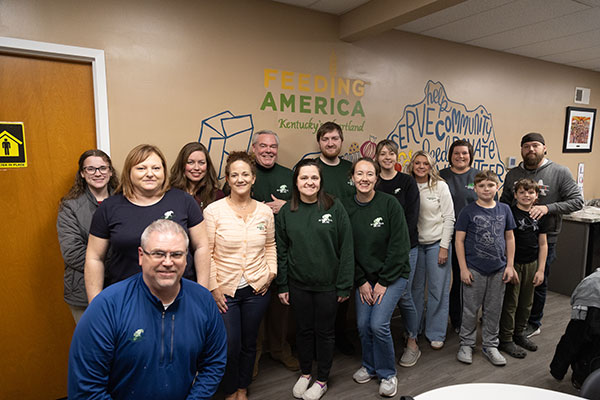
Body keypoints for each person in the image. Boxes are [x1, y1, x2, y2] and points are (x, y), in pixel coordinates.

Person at [68, 219, 227, 399]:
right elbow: (86, 387)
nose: (168, 262)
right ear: (141, 256)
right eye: (158, 254)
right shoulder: (107, 307)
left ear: (186, 258)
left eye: (176, 254)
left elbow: (213, 363)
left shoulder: (203, 300)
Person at [85, 144, 210, 303]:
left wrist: (202, 293)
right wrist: (96, 303)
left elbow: (202, 247)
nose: (150, 174)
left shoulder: (184, 201)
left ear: (164, 171)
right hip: (126, 299)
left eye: (156, 168)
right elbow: (94, 258)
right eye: (141, 168)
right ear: (129, 171)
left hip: (180, 297)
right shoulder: (110, 208)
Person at [276, 158, 354, 400]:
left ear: (320, 181)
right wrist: (283, 284)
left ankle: (322, 380)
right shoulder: (287, 211)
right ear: (296, 182)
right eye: (304, 178)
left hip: (329, 286)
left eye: (314, 178)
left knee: (325, 332)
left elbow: (347, 248)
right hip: (299, 285)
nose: (309, 182)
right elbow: (282, 251)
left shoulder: (334, 206)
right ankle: (306, 373)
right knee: (303, 331)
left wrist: (344, 284)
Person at [204, 151, 276, 400]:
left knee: (249, 343)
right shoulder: (214, 211)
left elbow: (270, 246)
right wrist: (213, 287)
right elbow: (207, 253)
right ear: (227, 179)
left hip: (257, 289)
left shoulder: (265, 212)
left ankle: (243, 389)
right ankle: (229, 389)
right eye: (234, 175)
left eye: (245, 174)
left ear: (253, 178)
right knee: (229, 344)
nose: (240, 179)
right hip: (225, 291)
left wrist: (270, 274)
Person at [500, 132, 583, 338]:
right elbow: (505, 202)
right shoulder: (513, 174)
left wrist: (548, 208)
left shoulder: (559, 172)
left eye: (535, 145)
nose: (531, 149)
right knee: (512, 281)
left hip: (545, 239)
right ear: (521, 149)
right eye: (526, 146)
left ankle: (533, 322)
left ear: (544, 148)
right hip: (514, 239)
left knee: (538, 282)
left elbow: (577, 201)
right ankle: (512, 321)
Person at [343, 158, 411, 398]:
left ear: (376, 178)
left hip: (392, 275)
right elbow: (347, 249)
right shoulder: (345, 207)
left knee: (378, 324)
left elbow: (400, 246)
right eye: (359, 174)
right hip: (365, 278)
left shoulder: (389, 204)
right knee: (362, 325)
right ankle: (370, 366)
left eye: (369, 174)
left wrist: (383, 282)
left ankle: (387, 374)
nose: (364, 178)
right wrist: (361, 281)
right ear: (352, 178)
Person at [455, 170, 517, 366]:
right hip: (474, 269)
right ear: (475, 188)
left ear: (497, 187)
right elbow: (459, 241)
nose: (486, 189)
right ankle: (467, 343)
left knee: (493, 309)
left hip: (498, 269)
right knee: (470, 309)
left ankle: (491, 345)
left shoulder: (505, 209)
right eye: (481, 186)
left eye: (490, 185)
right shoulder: (468, 211)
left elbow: (509, 238)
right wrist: (463, 269)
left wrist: (510, 265)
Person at [250, 130, 299, 373]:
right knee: (255, 309)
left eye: (272, 146)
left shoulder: (288, 175)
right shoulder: (245, 173)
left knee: (281, 307)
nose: (268, 150)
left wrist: (286, 206)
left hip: (282, 253)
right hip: (252, 256)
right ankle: (254, 356)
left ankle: (280, 349)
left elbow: (304, 207)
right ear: (254, 148)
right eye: (263, 146)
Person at [57, 149, 118, 323]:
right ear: (82, 174)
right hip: (83, 292)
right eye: (91, 169)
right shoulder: (70, 207)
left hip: (121, 286)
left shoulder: (125, 200)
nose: (97, 173)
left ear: (110, 171)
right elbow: (72, 252)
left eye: (102, 168)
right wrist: (116, 263)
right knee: (94, 345)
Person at [374, 139, 421, 367]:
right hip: (378, 252)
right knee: (379, 295)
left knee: (404, 294)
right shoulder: (372, 182)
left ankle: (412, 340)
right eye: (382, 153)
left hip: (407, 248)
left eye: (391, 153)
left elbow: (412, 218)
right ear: (377, 157)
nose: (387, 157)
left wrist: (397, 244)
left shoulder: (407, 182)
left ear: (397, 157)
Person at [406, 150, 455, 350]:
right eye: (417, 163)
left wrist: (444, 246)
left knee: (438, 290)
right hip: (415, 245)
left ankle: (435, 332)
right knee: (414, 290)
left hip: (437, 244)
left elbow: (449, 218)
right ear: (412, 166)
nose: (421, 166)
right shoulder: (407, 186)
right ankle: (414, 329)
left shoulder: (440, 186)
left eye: (425, 163)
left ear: (431, 166)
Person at [315, 121, 355, 355]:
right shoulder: (310, 168)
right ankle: (320, 343)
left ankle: (340, 336)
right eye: (325, 139)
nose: (330, 143)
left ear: (341, 141)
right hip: (322, 242)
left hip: (348, 242)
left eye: (335, 139)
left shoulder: (351, 168)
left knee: (343, 294)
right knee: (322, 297)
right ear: (319, 142)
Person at [499, 178, 549, 358]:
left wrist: (541, 269)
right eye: (522, 192)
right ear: (515, 195)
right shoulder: (509, 213)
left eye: (530, 192)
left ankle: (519, 333)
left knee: (527, 302)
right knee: (511, 302)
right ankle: (505, 338)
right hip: (514, 264)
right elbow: (507, 240)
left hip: (532, 264)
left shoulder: (540, 216)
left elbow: (543, 244)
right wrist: (509, 266)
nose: (526, 195)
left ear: (536, 195)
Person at [439, 139, 484, 331]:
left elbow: (489, 204)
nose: (460, 156)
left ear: (470, 156)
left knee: (473, 280)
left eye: (464, 153)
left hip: (473, 238)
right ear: (450, 155)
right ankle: (456, 320)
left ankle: (471, 319)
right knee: (454, 281)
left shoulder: (479, 177)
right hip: (447, 237)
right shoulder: (441, 176)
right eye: (456, 153)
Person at [169, 142, 224, 209]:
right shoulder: (169, 192)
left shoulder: (217, 195)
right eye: (190, 162)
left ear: (208, 166)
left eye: (201, 163)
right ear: (182, 165)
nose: (196, 168)